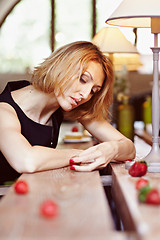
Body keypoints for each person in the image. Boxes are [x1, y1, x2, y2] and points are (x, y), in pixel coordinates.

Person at [0, 41, 136, 184]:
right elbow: (26, 161)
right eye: (83, 79)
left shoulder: (69, 103)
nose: (85, 94)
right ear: (61, 66)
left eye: (93, 91)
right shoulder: (4, 110)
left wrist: (112, 149)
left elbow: (129, 147)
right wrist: (84, 155)